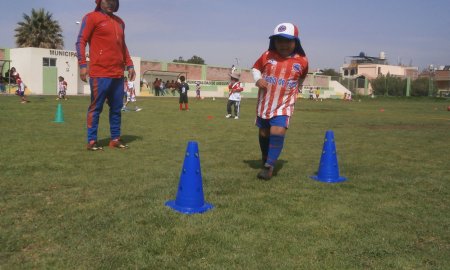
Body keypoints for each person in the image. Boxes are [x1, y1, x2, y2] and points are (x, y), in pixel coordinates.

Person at [252, 22, 309, 180]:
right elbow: (255, 68)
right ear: (274, 42)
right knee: (264, 132)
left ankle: (269, 166)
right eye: (279, 41)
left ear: (295, 42)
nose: (283, 45)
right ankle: (266, 156)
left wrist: (298, 87)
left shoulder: (302, 61)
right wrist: (257, 80)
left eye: (287, 41)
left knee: (277, 130)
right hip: (265, 103)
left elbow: (303, 75)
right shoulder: (267, 56)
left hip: (284, 104)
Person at [76, 0, 135, 151]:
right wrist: (83, 64)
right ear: (99, 1)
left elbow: (123, 45)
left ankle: (115, 139)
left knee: (116, 108)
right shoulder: (91, 18)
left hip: (117, 74)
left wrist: (130, 64)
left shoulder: (120, 22)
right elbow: (80, 41)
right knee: (96, 108)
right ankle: (91, 141)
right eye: (106, 0)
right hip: (99, 73)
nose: (110, 3)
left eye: (113, 1)